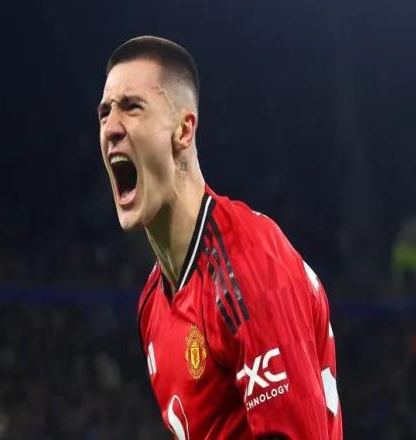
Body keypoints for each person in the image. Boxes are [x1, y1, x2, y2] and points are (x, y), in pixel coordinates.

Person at [98, 35, 342, 439]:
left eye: (131, 107)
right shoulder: (152, 303)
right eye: (104, 112)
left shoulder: (249, 263)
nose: (110, 128)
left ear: (183, 130)